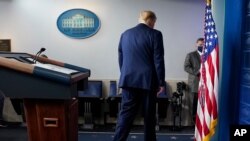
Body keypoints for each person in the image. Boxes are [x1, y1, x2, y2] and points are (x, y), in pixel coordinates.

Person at [113, 10, 165, 141]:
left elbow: (121, 57)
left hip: (128, 80)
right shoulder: (155, 34)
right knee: (149, 116)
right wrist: (161, 82)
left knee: (125, 115)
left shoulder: (125, 34)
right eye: (154, 22)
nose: (154, 25)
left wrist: (125, 74)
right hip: (148, 81)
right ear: (151, 20)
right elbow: (158, 60)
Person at [184, 37, 204, 123]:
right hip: (194, 84)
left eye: (203, 44)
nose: (201, 46)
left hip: (205, 84)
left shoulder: (208, 55)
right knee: (193, 104)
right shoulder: (191, 55)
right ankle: (194, 123)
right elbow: (186, 67)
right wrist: (197, 72)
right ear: (196, 44)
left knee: (203, 105)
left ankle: (202, 123)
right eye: (200, 44)